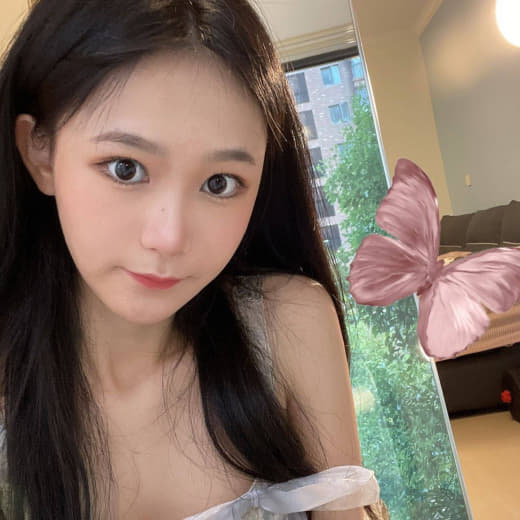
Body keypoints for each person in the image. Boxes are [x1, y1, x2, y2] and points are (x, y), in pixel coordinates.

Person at [0, 0, 388, 518]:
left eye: (219, 183)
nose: (169, 238)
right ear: (40, 152)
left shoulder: (286, 327)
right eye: (125, 168)